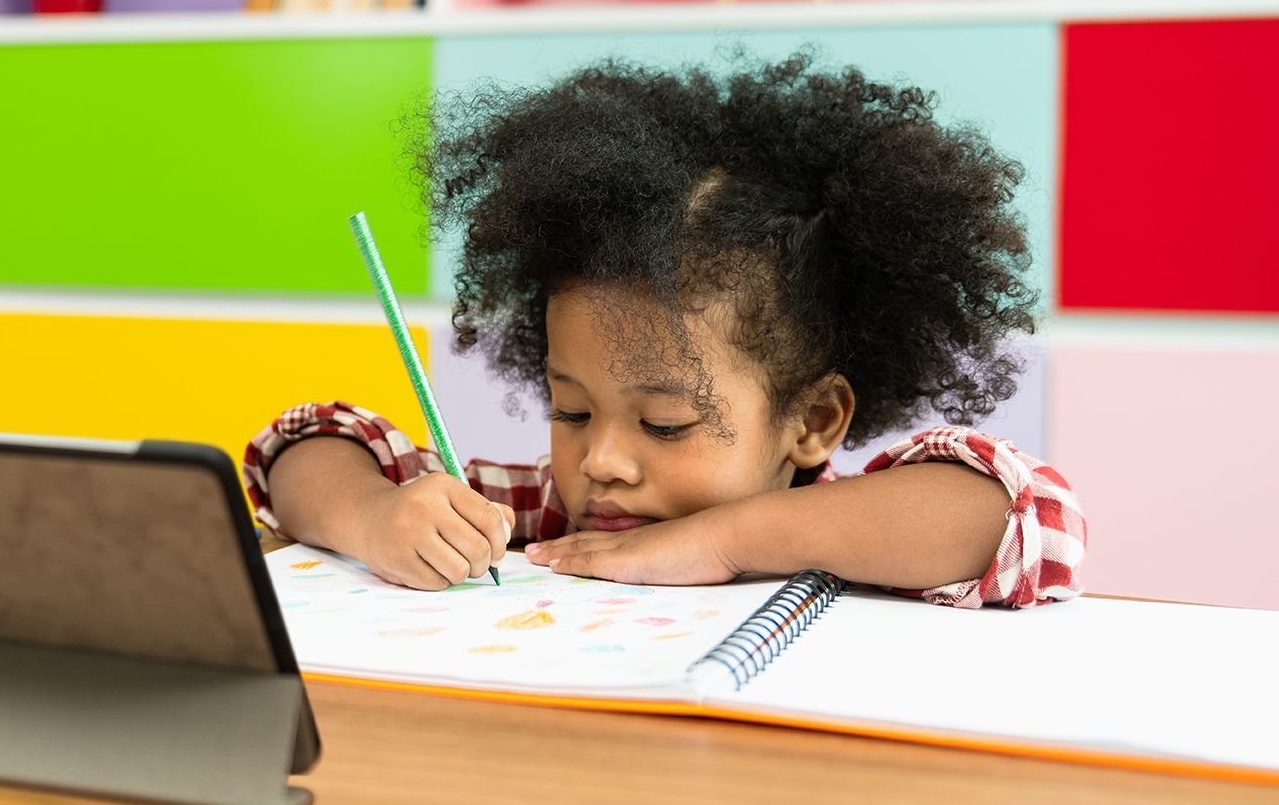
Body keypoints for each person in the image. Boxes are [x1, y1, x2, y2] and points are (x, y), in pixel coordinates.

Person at [244, 53, 1084, 609]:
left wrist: (721, 542)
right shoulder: (542, 521)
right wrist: (372, 520)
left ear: (814, 421)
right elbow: (308, 444)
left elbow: (1036, 517)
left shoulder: (857, 532)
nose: (600, 461)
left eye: (664, 423)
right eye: (572, 410)